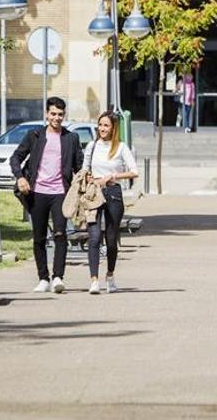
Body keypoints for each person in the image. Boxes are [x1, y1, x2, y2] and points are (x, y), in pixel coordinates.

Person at [10, 97, 84, 293]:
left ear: (64, 115)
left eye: (60, 114)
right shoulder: (34, 135)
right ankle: (43, 278)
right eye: (53, 114)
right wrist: (20, 178)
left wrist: (84, 181)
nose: (56, 118)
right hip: (37, 193)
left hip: (60, 192)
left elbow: (80, 166)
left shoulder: (71, 138)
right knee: (39, 237)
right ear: (46, 114)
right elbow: (16, 157)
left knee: (60, 235)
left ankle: (58, 277)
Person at [83, 111, 139, 295]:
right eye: (100, 125)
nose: (102, 129)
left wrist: (113, 176)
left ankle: (110, 275)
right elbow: (84, 169)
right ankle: (93, 280)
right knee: (94, 236)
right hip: (94, 193)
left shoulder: (121, 147)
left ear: (113, 128)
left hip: (113, 193)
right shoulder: (92, 146)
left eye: (106, 125)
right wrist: (89, 176)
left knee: (111, 239)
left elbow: (134, 171)